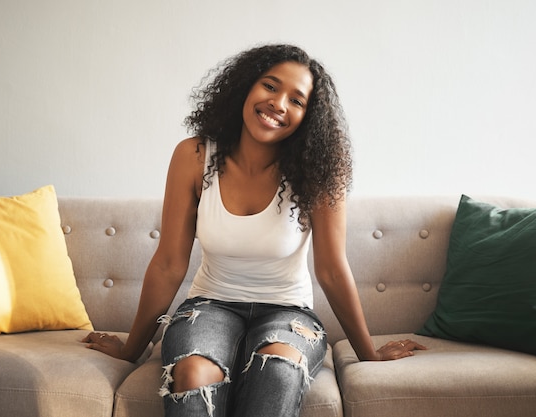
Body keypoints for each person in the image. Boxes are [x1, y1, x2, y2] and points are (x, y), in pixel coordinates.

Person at [82, 43, 426, 417]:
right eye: (270, 86)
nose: (279, 103)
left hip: (287, 311)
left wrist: (369, 354)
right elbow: (168, 264)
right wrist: (132, 350)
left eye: (297, 100)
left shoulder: (319, 173)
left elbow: (330, 269)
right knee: (194, 372)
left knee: (277, 371)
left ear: (308, 116)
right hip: (209, 306)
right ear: (245, 88)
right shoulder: (194, 156)